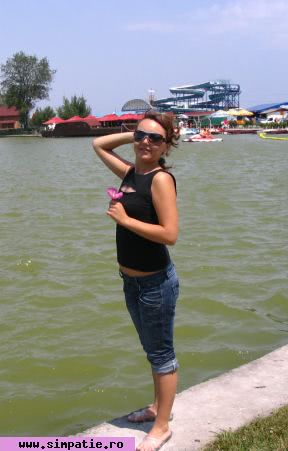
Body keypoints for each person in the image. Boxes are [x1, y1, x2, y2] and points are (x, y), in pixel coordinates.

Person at [92, 111, 180, 451]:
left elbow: (170, 234)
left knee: (162, 355)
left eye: (155, 139)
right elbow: (99, 144)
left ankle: (162, 427)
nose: (146, 142)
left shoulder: (160, 180)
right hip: (132, 281)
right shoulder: (131, 172)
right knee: (152, 350)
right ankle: (158, 407)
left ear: (166, 146)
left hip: (155, 283)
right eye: (141, 136)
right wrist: (136, 134)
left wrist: (125, 220)